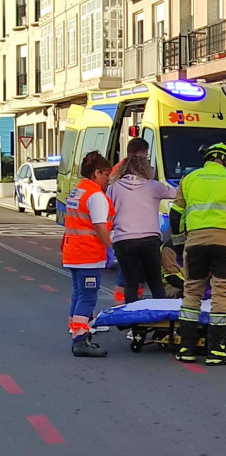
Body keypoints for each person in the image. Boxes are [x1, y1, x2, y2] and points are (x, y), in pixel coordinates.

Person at [170, 140, 226, 366]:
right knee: (221, 295)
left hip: (195, 243)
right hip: (224, 245)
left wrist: (180, 246)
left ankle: (186, 348)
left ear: (207, 158)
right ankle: (216, 351)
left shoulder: (188, 179)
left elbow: (176, 215)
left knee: (191, 293)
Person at [107, 142, 177, 305]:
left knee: (130, 283)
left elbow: (108, 211)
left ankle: (133, 325)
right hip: (149, 240)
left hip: (123, 240)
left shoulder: (114, 187)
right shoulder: (154, 187)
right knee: (155, 282)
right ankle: (162, 317)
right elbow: (176, 193)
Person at [62, 151, 115, 357]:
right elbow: (100, 226)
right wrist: (109, 247)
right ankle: (81, 340)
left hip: (73, 251)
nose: (108, 178)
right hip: (88, 253)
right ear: (96, 173)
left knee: (78, 293)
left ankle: (77, 333)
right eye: (106, 174)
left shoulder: (78, 191)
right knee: (88, 296)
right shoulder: (95, 196)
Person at [111, 138, 151, 302]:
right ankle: (125, 313)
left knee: (131, 275)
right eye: (145, 156)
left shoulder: (117, 172)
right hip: (139, 234)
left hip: (123, 235)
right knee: (130, 276)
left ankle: (126, 312)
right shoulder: (143, 173)